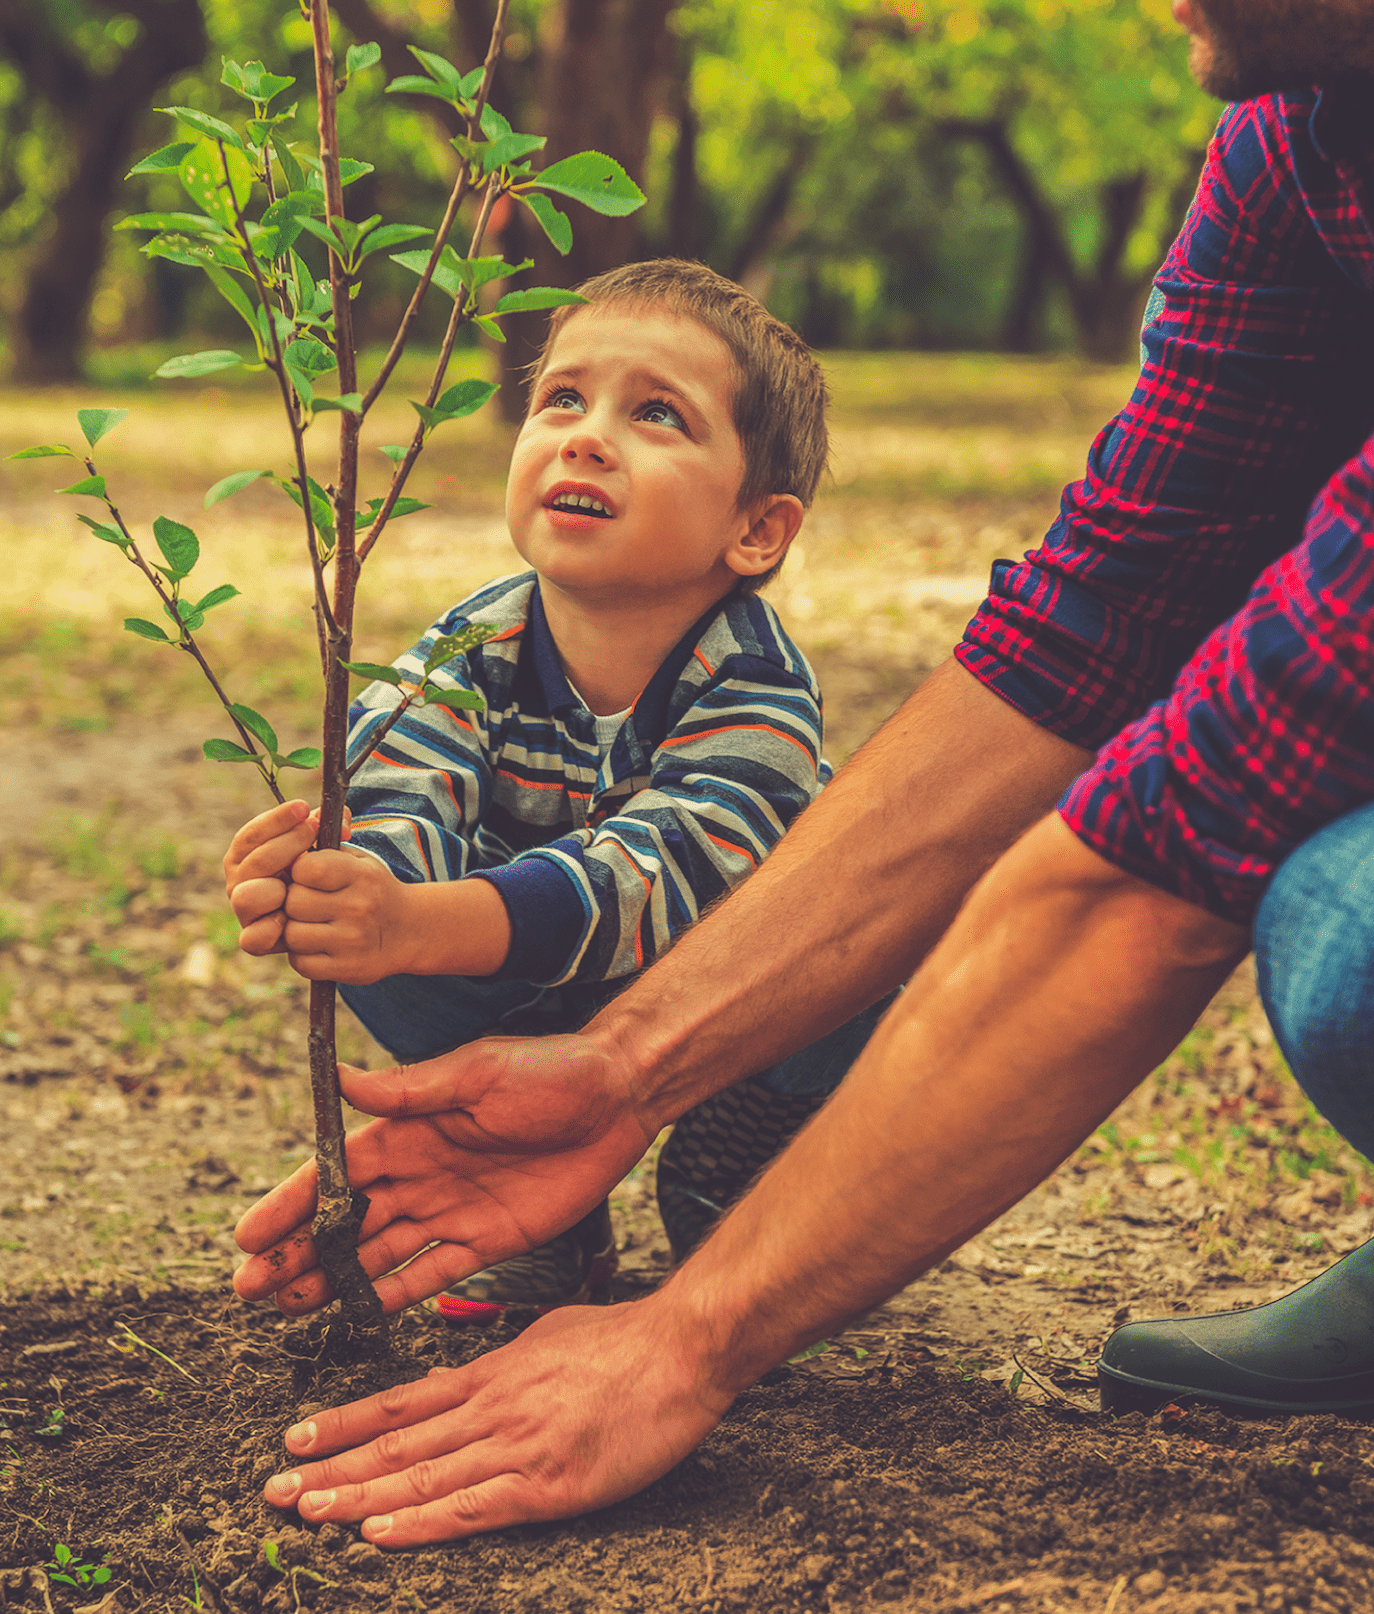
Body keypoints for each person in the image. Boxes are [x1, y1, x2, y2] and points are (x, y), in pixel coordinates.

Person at [231, 0, 1374, 1547]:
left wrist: (690, 1332)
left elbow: (1190, 834)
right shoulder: (1306, 141)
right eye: (560, 397)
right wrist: (617, 1074)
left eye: (657, 414)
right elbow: (1096, 625)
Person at [223, 259, 889, 1322]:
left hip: (722, 996)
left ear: (755, 529)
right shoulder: (471, 644)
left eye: (657, 414)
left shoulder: (758, 685)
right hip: (525, 988)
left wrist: (425, 918)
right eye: (562, 399)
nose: (585, 435)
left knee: (876, 955)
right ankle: (549, 1212)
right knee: (380, 950)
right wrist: (348, 890)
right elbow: (403, 787)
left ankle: (750, 1147)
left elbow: (655, 876)